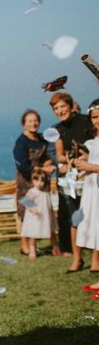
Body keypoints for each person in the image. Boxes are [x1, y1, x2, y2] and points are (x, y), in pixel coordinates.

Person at [50, 92, 94, 273]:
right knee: (74, 219)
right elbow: (59, 154)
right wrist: (66, 160)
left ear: (71, 105)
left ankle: (96, 260)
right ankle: (77, 259)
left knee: (94, 218)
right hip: (70, 180)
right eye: (56, 108)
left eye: (62, 106)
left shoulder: (87, 122)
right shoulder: (57, 129)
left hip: (90, 176)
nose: (60, 111)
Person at [13, 109, 55, 256]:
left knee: (40, 210)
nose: (33, 123)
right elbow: (22, 166)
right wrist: (43, 168)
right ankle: (25, 246)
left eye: (35, 120)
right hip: (26, 181)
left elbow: (46, 155)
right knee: (26, 212)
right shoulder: (21, 142)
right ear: (24, 124)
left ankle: (35, 244)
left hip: (41, 181)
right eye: (30, 121)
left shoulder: (41, 138)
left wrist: (48, 162)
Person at [74, 99, 99, 273]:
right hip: (92, 189)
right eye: (95, 117)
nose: (97, 120)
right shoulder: (95, 140)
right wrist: (85, 163)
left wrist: (91, 167)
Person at [20, 170, 58, 259]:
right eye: (36, 180)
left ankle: (55, 248)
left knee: (51, 232)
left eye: (42, 181)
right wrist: (33, 209)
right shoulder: (32, 191)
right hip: (35, 217)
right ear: (32, 181)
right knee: (33, 234)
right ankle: (32, 250)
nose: (39, 183)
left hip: (46, 216)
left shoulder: (45, 191)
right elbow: (25, 201)